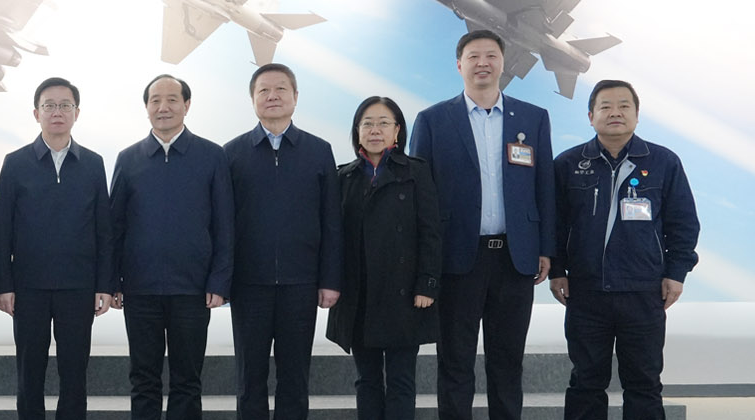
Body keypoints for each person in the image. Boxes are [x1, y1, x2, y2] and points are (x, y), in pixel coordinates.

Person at [407, 29, 556, 420]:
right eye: (473, 57)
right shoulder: (433, 120)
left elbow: (544, 188)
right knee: (455, 362)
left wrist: (546, 248)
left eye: (491, 55)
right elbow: (421, 197)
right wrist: (424, 260)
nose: (483, 63)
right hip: (458, 258)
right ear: (459, 65)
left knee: (507, 362)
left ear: (503, 63)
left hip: (515, 257)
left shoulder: (533, 118)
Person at [550, 80, 699, 420]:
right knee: (586, 382)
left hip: (643, 292)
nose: (615, 112)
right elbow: (554, 224)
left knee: (644, 382)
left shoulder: (663, 162)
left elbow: (683, 224)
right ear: (591, 116)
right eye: (605, 106)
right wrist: (557, 270)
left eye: (623, 106)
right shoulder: (569, 164)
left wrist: (676, 273)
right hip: (586, 293)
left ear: (636, 114)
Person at [110, 74, 233, 419]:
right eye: (155, 100)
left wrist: (219, 281)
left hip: (193, 289)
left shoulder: (212, 156)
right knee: (143, 379)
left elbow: (225, 225)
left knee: (187, 380)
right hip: (140, 289)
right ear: (146, 107)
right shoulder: (128, 158)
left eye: (172, 100)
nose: (163, 107)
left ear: (187, 105)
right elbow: (114, 227)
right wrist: (112, 281)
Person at [223, 63, 342, 420]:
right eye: (263, 90)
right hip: (249, 285)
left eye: (280, 89)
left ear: (295, 96)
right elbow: (223, 224)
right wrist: (222, 281)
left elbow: (331, 221)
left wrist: (330, 280)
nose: (272, 96)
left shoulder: (319, 151)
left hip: (300, 284)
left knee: (294, 378)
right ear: (252, 99)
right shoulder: (232, 153)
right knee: (249, 378)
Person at [0, 77, 114, 420]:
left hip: (78, 286)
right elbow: (1, 229)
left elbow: (104, 230)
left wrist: (105, 285)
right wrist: (3, 284)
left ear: (77, 113)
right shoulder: (15, 163)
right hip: (28, 286)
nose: (57, 112)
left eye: (64, 105)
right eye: (49, 105)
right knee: (29, 374)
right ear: (36, 113)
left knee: (74, 375)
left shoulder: (93, 163)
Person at [326, 96, 442, 420]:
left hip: (405, 295)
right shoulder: (344, 177)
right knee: (367, 379)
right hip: (359, 295)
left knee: (401, 381)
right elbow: (333, 238)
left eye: (383, 123)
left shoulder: (416, 171)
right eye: (367, 123)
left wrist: (427, 284)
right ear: (357, 131)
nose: (375, 130)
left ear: (397, 131)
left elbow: (431, 232)